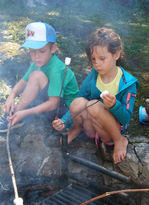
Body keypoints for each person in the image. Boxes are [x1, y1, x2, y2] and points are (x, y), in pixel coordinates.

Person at [52, 28, 139, 164]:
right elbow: (80, 100)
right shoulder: (93, 76)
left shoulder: (127, 83)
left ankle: (119, 141)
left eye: (102, 58)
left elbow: (126, 117)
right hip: (92, 128)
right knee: (78, 102)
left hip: (110, 132)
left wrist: (114, 105)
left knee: (95, 106)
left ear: (116, 55)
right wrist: (64, 121)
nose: (97, 63)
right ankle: (76, 129)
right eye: (93, 59)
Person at [0, 22, 78, 132]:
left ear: (53, 48)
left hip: (66, 115)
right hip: (52, 107)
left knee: (36, 76)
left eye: (42, 51)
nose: (36, 56)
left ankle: (15, 116)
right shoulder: (37, 63)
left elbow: (53, 104)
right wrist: (11, 95)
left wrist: (24, 112)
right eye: (32, 51)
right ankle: (14, 116)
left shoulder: (56, 69)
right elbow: (22, 83)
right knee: (34, 76)